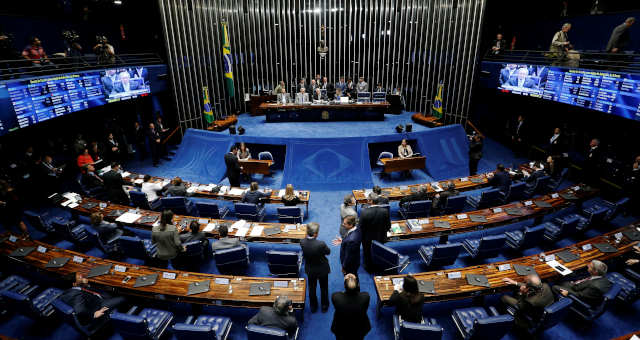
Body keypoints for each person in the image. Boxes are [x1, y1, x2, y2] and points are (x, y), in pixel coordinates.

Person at [59, 273, 126, 330]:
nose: (82, 276)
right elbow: (80, 311)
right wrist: (94, 315)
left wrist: (85, 284)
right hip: (98, 306)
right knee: (123, 297)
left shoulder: (70, 291)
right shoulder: (76, 295)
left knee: (112, 290)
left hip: (94, 299)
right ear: (74, 284)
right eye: (80, 277)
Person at [300, 222, 330, 312]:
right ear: (316, 234)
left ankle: (313, 307)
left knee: (312, 288)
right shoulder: (321, 244)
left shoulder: (302, 242)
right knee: (324, 287)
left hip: (310, 269)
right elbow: (328, 252)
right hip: (322, 269)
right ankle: (324, 306)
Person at [331, 274, 371, 340]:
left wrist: (347, 281)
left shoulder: (336, 297)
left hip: (341, 329)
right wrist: (354, 279)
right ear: (357, 285)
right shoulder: (366, 296)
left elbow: (339, 293)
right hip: (359, 329)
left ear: (344, 286)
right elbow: (361, 293)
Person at [359, 196, 390, 272]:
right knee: (379, 251)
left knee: (367, 252)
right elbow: (388, 226)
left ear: (371, 201)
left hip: (367, 238)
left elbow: (361, 227)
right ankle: (378, 266)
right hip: (380, 236)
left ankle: (369, 268)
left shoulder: (364, 212)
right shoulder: (385, 211)